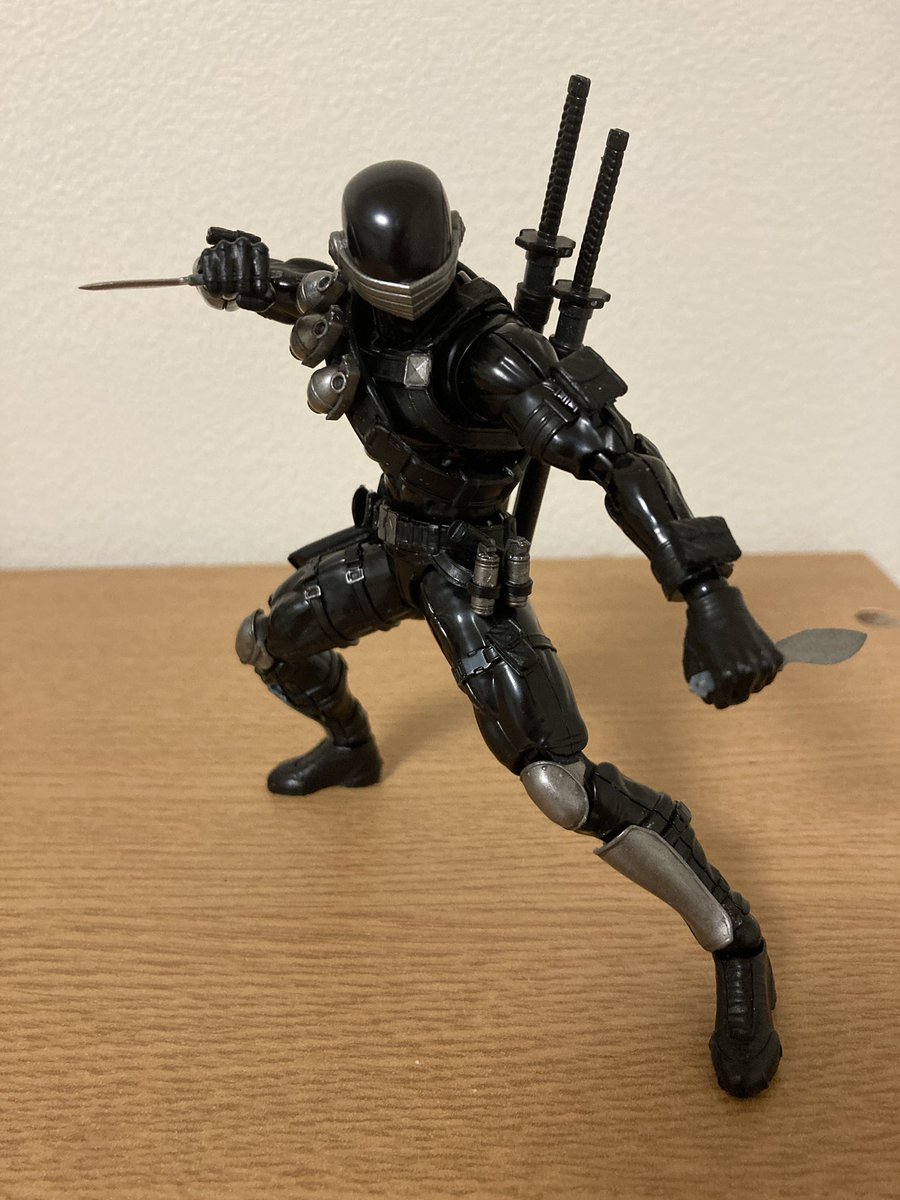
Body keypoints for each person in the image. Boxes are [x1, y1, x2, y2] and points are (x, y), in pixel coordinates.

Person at [198, 159, 783, 1098]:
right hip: (387, 544)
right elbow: (274, 282)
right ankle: (350, 745)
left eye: (414, 285)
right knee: (268, 643)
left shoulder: (495, 353)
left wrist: (707, 591)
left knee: (559, 784)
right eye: (374, 284)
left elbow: (621, 459)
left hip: (468, 573)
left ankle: (733, 938)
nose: (397, 304)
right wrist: (230, 271)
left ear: (456, 247)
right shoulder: (341, 299)